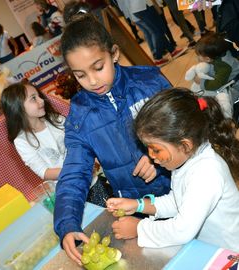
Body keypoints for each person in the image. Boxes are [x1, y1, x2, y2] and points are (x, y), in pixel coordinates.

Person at [53, 13, 171, 266]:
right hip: (135, 211)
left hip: (182, 193)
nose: (93, 81)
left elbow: (190, 126)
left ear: (114, 54)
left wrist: (159, 154)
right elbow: (74, 172)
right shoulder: (80, 114)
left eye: (98, 67)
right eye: (80, 75)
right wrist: (66, 223)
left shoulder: (149, 81)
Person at [107, 88, 239, 252]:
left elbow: (182, 230)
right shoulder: (188, 160)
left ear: (185, 145)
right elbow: (178, 201)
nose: (151, 156)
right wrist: (139, 205)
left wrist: (139, 228)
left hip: (229, 253)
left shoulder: (206, 173)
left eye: (156, 150)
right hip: (210, 248)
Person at [1, 81, 66, 181]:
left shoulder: (56, 119)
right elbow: (44, 172)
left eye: (39, 96)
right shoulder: (22, 141)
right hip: (68, 189)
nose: (42, 101)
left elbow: (80, 141)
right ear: (18, 107)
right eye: (33, 98)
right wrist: (76, 170)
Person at [194, 33, 239, 117]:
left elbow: (216, 84)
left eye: (199, 56)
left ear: (208, 58)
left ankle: (225, 116)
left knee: (219, 102)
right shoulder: (219, 55)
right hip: (226, 80)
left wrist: (202, 82)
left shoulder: (224, 67)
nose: (198, 58)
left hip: (234, 87)